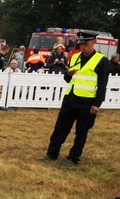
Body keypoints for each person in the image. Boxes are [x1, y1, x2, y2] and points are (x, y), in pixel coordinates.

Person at [39, 30, 110, 166]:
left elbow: (102, 84)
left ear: (94, 42)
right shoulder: (75, 57)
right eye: (81, 44)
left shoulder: (102, 60)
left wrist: (97, 104)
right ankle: (52, 153)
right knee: (60, 128)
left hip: (87, 102)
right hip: (70, 99)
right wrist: (69, 73)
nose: (83, 46)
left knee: (81, 132)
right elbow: (67, 78)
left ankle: (73, 158)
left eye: (86, 43)